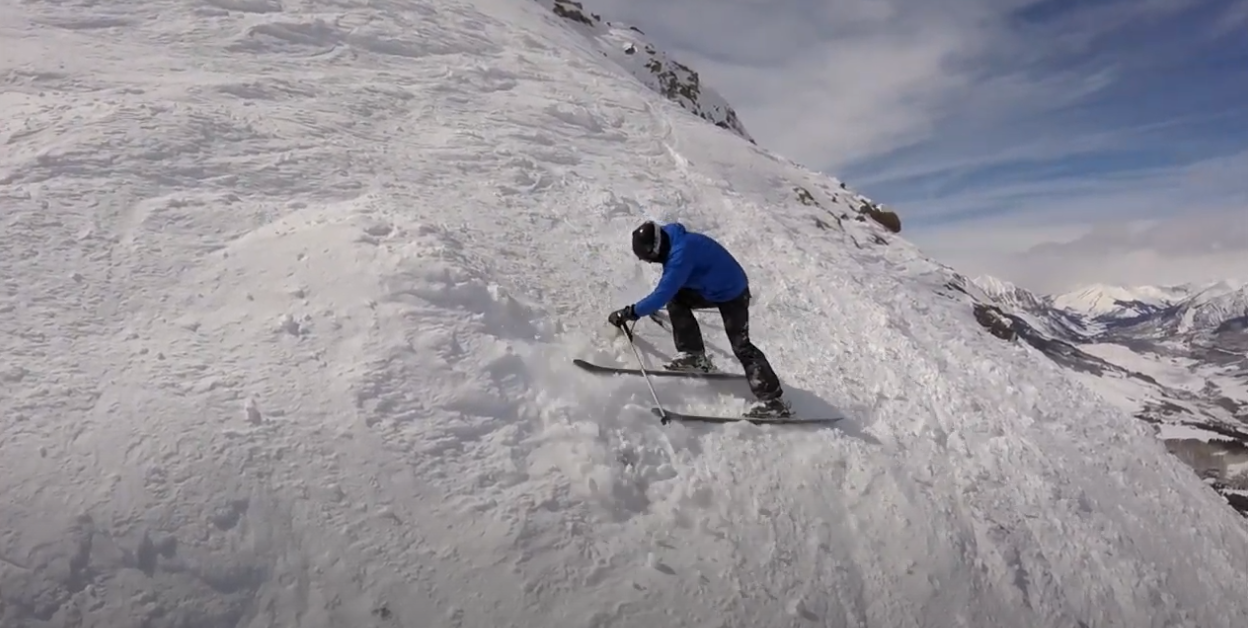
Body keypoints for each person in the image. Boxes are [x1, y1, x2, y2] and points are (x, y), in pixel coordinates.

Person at [607, 220, 792, 418]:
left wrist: (629, 313)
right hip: (711, 287)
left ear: (656, 249)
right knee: (677, 299)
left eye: (649, 258)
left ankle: (774, 403)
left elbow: (662, 293)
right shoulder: (671, 238)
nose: (650, 262)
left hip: (733, 293)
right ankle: (693, 354)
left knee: (741, 346)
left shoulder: (680, 256)